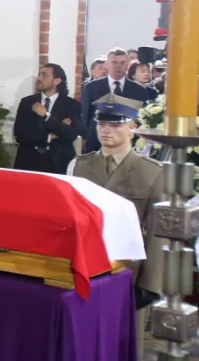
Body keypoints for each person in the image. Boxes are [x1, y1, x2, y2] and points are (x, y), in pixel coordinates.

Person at [68, 94, 164, 304]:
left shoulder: (152, 172)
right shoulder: (78, 166)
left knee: (126, 336)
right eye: (101, 123)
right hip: (85, 268)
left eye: (115, 124)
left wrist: (150, 286)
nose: (106, 129)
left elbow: (158, 234)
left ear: (133, 127)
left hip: (129, 271)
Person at [79, 48, 153, 153]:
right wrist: (85, 136)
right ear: (106, 65)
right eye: (114, 62)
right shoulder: (91, 87)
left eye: (122, 63)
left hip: (127, 143)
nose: (118, 66)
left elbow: (142, 118)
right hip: (96, 141)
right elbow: (85, 115)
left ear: (127, 65)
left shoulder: (139, 90)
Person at [13, 63, 81, 174]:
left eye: (44, 75)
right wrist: (51, 136)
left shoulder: (72, 105)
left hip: (58, 164)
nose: (39, 78)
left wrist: (47, 116)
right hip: (28, 162)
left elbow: (71, 134)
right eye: (39, 74)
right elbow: (19, 134)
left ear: (57, 81)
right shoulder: (27, 102)